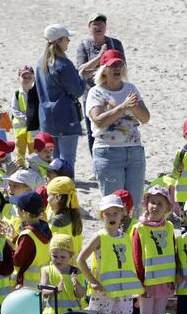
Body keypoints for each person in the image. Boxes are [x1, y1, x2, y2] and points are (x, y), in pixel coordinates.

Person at [86, 49, 149, 209]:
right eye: (112, 65)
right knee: (113, 207)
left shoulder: (130, 88)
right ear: (104, 70)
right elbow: (99, 121)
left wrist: (133, 108)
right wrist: (122, 107)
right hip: (108, 154)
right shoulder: (96, 92)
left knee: (133, 207)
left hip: (134, 151)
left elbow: (145, 118)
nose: (117, 68)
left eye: (120, 64)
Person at [77, 194, 142, 314]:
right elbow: (80, 259)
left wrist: (134, 289)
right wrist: (92, 280)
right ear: (102, 215)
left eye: (115, 213)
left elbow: (129, 265)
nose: (112, 217)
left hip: (121, 290)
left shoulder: (125, 237)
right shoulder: (99, 237)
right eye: (108, 214)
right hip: (103, 290)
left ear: (122, 214)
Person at [132, 185, 176, 314]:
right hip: (147, 283)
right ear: (146, 204)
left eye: (160, 203)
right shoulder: (140, 228)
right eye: (152, 202)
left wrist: (173, 279)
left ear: (167, 207)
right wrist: (140, 283)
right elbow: (136, 257)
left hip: (164, 282)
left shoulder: (170, 227)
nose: (155, 207)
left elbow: (173, 252)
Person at [35, 24, 86, 177]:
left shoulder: (41, 63)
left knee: (54, 161)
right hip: (65, 117)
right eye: (66, 38)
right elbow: (77, 91)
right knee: (67, 162)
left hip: (47, 118)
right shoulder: (63, 64)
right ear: (58, 41)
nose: (68, 41)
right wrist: (81, 76)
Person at [76, 13, 127, 154]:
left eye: (101, 24)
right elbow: (80, 72)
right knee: (94, 130)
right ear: (89, 27)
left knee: (116, 128)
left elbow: (122, 67)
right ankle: (96, 164)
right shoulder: (84, 46)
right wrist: (100, 58)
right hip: (91, 95)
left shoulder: (115, 44)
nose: (98, 27)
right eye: (95, 24)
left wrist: (94, 70)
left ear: (106, 27)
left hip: (114, 94)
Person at [11, 191, 52, 289]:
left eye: (18, 209)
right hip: (43, 281)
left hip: (27, 285)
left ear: (24, 213)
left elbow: (17, 260)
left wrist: (8, 244)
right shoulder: (46, 227)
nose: (17, 211)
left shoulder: (28, 235)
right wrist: (15, 238)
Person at [40, 234, 85, 314]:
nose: (58, 260)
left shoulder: (76, 272)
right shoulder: (46, 270)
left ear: (70, 256)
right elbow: (43, 292)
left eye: (63, 257)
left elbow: (81, 295)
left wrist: (76, 284)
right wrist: (55, 290)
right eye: (54, 256)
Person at [47, 176, 84, 257]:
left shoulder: (57, 221)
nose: (47, 199)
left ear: (57, 197)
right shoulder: (75, 214)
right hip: (74, 264)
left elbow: (48, 245)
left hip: (62, 265)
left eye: (48, 195)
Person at [11, 65, 41, 166]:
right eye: (24, 77)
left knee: (34, 149)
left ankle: (34, 168)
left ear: (34, 78)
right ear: (18, 78)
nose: (27, 79)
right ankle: (21, 168)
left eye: (29, 77)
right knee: (20, 149)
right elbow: (14, 110)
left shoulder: (37, 93)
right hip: (20, 129)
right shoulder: (17, 94)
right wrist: (24, 117)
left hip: (33, 128)